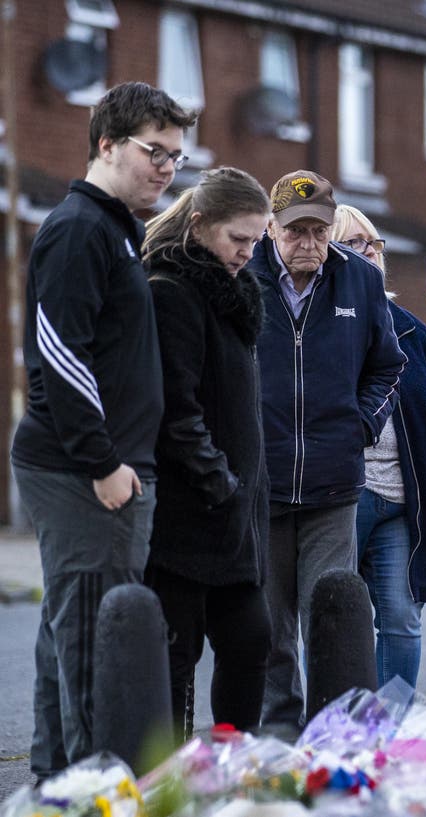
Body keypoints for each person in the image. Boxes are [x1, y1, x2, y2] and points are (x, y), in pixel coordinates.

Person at [11, 81, 196, 778]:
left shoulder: (117, 228)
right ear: (107, 144)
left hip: (98, 465)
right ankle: (92, 785)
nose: (167, 168)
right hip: (83, 470)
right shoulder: (80, 229)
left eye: (177, 157)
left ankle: (60, 782)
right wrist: (103, 462)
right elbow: (59, 352)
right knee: (94, 633)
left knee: (72, 632)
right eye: (155, 151)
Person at [250, 171, 406, 734]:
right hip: (261, 485)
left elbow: (388, 364)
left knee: (330, 613)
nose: (308, 243)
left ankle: (331, 727)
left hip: (334, 484)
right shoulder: (243, 275)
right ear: (271, 227)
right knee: (269, 623)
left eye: (318, 230)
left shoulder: (358, 280)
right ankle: (278, 731)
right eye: (295, 232)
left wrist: (359, 424)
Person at [140, 167, 273, 741]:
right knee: (175, 657)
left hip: (234, 515)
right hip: (189, 511)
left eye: (255, 241)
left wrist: (240, 492)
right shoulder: (171, 292)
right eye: (237, 239)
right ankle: (164, 780)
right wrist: (218, 481)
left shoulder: (231, 297)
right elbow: (176, 406)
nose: (247, 253)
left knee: (251, 640)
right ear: (198, 226)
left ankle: (229, 762)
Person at [332, 204, 426, 690]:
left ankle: (386, 734)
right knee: (332, 622)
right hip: (341, 499)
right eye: (354, 245)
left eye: (374, 244)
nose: (370, 252)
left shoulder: (410, 330)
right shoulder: (318, 327)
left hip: (401, 503)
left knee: (401, 620)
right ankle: (334, 732)